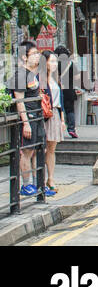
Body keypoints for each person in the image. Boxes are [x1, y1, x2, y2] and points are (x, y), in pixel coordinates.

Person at [13, 44, 47, 195]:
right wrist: (25, 123)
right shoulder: (21, 75)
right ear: (24, 57)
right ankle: (26, 185)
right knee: (26, 151)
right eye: (33, 54)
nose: (37, 56)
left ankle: (38, 184)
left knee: (38, 150)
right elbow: (19, 101)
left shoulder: (32, 74)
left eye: (37, 53)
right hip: (29, 118)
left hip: (38, 117)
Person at [42, 51, 64, 196]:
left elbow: (60, 101)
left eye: (56, 61)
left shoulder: (55, 79)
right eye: (51, 61)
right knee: (42, 149)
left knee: (51, 148)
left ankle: (50, 178)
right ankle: (41, 179)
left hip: (55, 114)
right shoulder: (40, 79)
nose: (54, 64)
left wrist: (63, 119)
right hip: (45, 116)